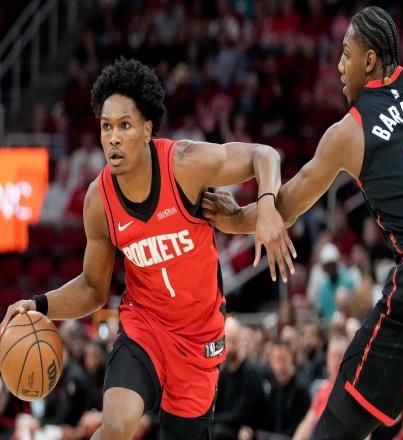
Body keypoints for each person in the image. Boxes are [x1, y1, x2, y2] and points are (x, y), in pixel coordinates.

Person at [202, 6, 403, 439]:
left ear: (369, 60)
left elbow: (288, 205)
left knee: (337, 426)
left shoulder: (350, 130)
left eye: (346, 54)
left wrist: (232, 221)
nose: (339, 66)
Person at [0, 58, 295, 440]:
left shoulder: (184, 165)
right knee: (116, 425)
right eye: (106, 126)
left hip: (199, 336)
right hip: (146, 325)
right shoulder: (99, 200)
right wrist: (38, 304)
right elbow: (92, 288)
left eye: (124, 125)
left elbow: (264, 155)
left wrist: (267, 205)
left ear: (147, 129)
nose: (113, 137)